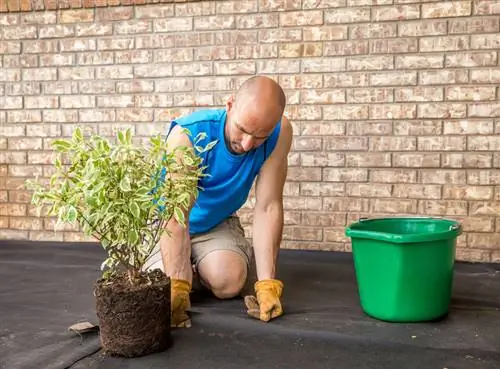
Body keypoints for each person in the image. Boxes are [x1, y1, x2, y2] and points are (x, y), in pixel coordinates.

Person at [144, 75, 293, 328]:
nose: (247, 144)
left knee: (229, 282)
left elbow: (268, 206)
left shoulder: (280, 133)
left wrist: (267, 283)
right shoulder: (188, 136)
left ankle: (194, 268)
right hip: (167, 222)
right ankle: (184, 272)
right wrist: (178, 286)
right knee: (158, 291)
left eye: (259, 137)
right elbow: (176, 214)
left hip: (216, 221)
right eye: (243, 130)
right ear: (229, 105)